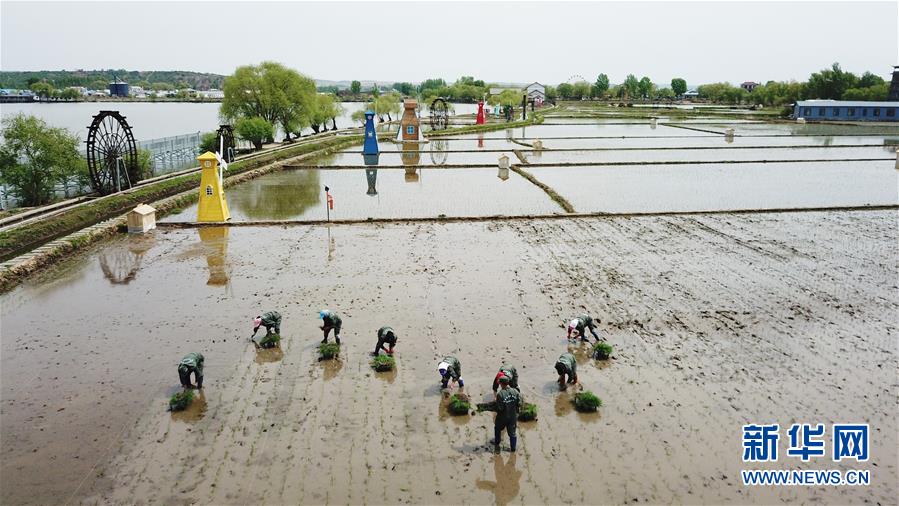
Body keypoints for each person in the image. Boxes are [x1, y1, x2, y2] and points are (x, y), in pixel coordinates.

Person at [491, 375, 521, 451]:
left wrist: (494, 405)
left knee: (497, 428)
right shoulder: (515, 391)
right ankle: (513, 449)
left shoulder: (500, 394)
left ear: (501, 384)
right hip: (513, 417)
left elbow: (500, 408)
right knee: (512, 433)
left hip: (502, 417)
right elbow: (519, 404)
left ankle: (497, 443)